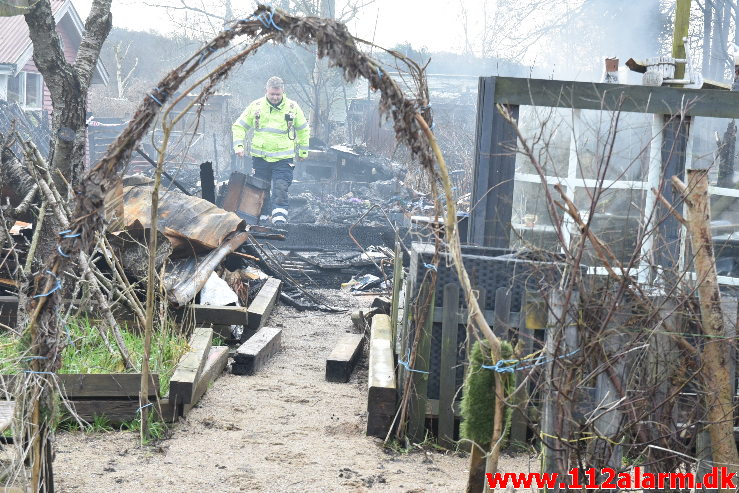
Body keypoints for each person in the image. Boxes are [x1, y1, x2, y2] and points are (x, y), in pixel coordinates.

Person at [232, 76, 310, 225]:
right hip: (260, 158)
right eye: (272, 94)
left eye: (278, 94)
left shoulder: (292, 108)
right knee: (261, 188)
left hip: (283, 158)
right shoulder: (256, 107)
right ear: (266, 91)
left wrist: (303, 151)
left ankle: (279, 220)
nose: (275, 97)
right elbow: (239, 126)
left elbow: (303, 129)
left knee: (281, 187)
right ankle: (262, 217)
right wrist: (239, 146)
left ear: (283, 92)